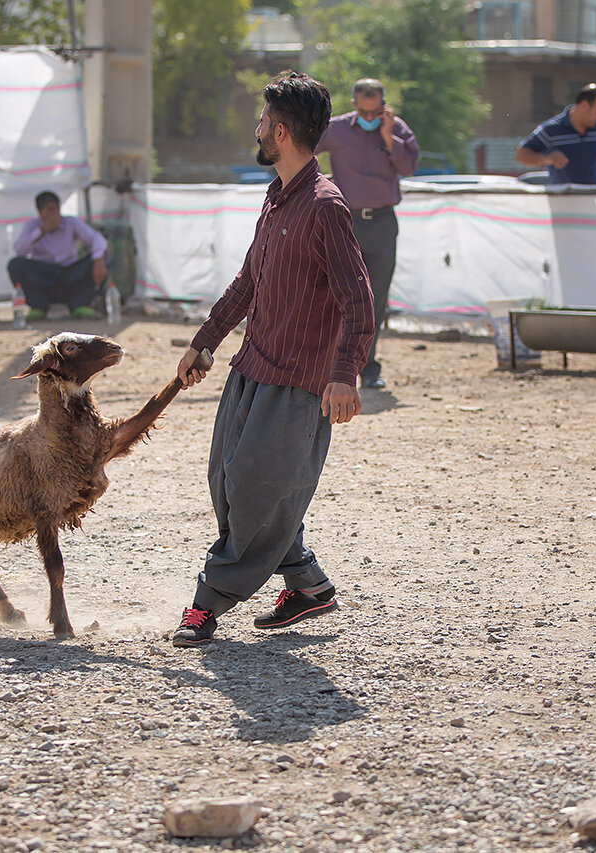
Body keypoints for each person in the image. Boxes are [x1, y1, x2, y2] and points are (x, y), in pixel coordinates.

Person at [170, 70, 374, 648]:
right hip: (252, 367)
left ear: (281, 133)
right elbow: (249, 280)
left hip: (300, 384)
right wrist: (204, 339)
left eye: (262, 122)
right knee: (229, 485)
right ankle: (308, 585)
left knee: (257, 489)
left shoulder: (326, 207)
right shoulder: (277, 196)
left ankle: (207, 603)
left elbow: (357, 299)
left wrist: (344, 375)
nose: (255, 129)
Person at [314, 78, 420, 390]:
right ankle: (330, 366)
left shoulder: (396, 128)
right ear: (355, 104)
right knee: (337, 294)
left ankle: (368, 367)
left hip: (383, 224)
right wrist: (320, 183)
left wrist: (388, 137)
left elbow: (410, 166)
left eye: (376, 114)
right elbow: (302, 152)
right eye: (364, 112)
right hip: (344, 222)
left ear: (384, 106)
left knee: (376, 298)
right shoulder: (337, 128)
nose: (370, 119)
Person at [7, 190, 109, 320]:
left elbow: (96, 238)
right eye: (49, 209)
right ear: (40, 211)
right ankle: (38, 306)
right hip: (43, 275)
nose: (54, 213)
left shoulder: (70, 223)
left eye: (56, 209)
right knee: (16, 265)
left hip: (68, 274)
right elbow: (20, 250)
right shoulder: (32, 226)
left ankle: (80, 304)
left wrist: (99, 260)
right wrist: (42, 231)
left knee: (103, 257)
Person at [515, 83, 596, 185]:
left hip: (594, 194)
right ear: (584, 105)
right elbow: (521, 155)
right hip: (564, 197)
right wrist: (547, 159)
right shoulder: (552, 129)